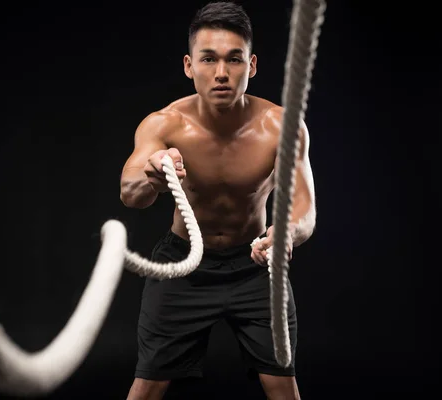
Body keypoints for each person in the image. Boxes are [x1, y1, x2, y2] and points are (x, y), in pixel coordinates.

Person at [119, 2, 316, 399]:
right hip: (183, 265)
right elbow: (129, 193)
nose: (222, 73)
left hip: (255, 267)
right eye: (209, 59)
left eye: (234, 59)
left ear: (253, 65)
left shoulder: (281, 126)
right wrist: (155, 175)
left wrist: (286, 234)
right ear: (190, 65)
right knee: (146, 387)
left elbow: (304, 208)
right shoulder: (164, 124)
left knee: (284, 387)